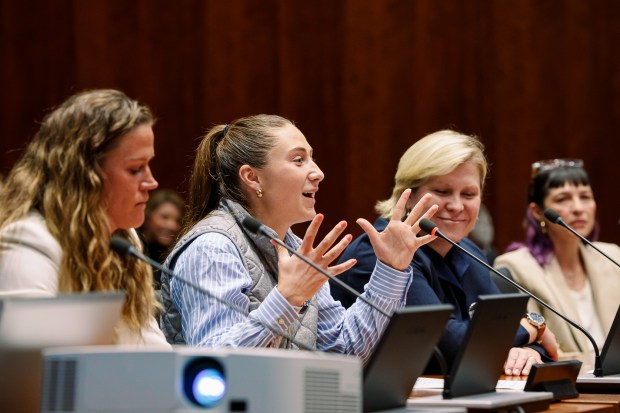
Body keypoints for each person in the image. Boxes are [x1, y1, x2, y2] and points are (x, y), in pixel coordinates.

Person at [159, 114, 438, 361]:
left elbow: (344, 351)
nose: (318, 172)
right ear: (253, 178)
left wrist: (390, 269)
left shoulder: (293, 248)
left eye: (312, 158)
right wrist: (287, 298)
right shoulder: (211, 248)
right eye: (299, 160)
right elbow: (215, 365)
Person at [331, 130, 558, 376]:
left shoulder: (469, 251)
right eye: (442, 191)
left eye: (469, 194)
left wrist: (530, 351)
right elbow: (447, 346)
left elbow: (500, 332)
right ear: (408, 196)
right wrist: (533, 328)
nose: (457, 206)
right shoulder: (380, 252)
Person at [0, 89, 168, 346]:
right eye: (135, 169)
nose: (151, 182)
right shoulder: (30, 241)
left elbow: (150, 348)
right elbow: (28, 366)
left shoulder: (124, 240)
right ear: (85, 175)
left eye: (148, 165)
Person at [494, 159, 620, 370]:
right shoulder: (516, 268)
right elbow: (534, 347)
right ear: (537, 211)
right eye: (563, 199)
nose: (579, 208)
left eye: (585, 197)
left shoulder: (612, 257)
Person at [138, 189, 184, 288]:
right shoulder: (131, 249)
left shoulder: (176, 259)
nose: (172, 226)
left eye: (178, 221)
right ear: (148, 216)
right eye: (165, 217)